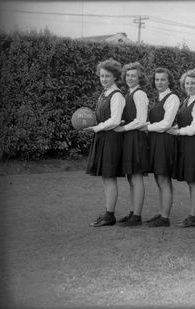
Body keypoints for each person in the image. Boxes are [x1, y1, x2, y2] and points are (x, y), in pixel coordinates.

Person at [85, 58, 126, 227]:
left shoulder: (117, 96)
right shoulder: (104, 94)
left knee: (109, 178)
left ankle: (110, 216)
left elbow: (115, 120)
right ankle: (108, 212)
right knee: (105, 178)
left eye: (107, 76)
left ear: (115, 76)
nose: (104, 79)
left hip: (111, 139)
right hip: (102, 138)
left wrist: (96, 128)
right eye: (101, 76)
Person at [168, 69, 195, 228]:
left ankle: (193, 217)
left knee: (194, 181)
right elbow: (184, 123)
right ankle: (192, 215)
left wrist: (176, 131)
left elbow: (194, 128)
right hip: (185, 143)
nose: (189, 86)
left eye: (193, 83)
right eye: (187, 83)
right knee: (190, 182)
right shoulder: (187, 100)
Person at [142, 68, 180, 227]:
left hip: (165, 142)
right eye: (157, 79)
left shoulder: (173, 98)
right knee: (159, 178)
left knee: (164, 179)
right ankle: (162, 213)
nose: (159, 82)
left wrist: (145, 127)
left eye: (163, 79)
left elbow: (166, 124)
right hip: (155, 141)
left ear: (169, 81)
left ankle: (165, 218)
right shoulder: (159, 98)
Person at [113, 62, 150, 227]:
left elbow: (141, 120)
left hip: (136, 138)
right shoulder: (129, 93)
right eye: (128, 75)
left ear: (140, 77)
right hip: (129, 137)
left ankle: (137, 216)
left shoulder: (139, 94)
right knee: (131, 178)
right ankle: (132, 212)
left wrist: (123, 128)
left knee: (136, 176)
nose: (130, 78)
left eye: (133, 75)